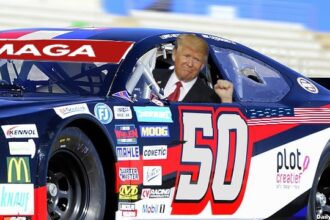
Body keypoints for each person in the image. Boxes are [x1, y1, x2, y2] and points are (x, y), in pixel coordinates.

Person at [153, 33, 233, 103]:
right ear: (174, 55)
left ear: (202, 65)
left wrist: (226, 100)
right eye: (186, 56)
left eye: (196, 59)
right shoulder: (151, 77)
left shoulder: (210, 98)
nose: (190, 64)